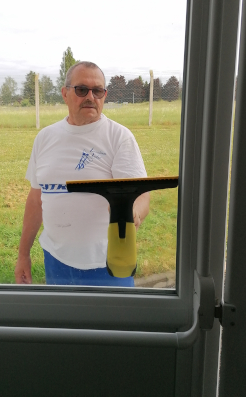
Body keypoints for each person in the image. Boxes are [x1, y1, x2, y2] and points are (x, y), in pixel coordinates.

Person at [14, 61, 150, 287]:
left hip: (108, 264)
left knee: (114, 323)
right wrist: (23, 254)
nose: (91, 97)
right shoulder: (45, 138)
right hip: (55, 261)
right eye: (81, 89)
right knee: (63, 322)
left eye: (98, 91)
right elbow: (37, 199)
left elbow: (142, 195)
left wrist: (133, 210)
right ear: (65, 94)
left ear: (105, 95)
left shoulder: (119, 138)